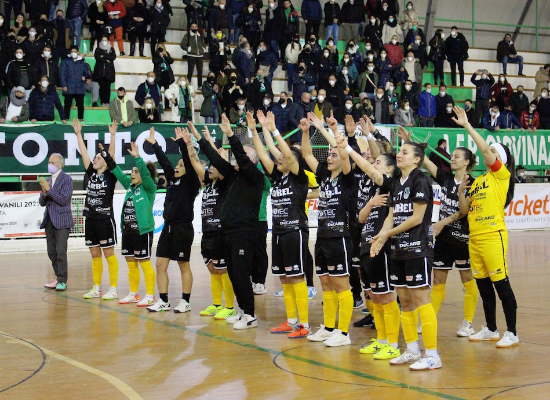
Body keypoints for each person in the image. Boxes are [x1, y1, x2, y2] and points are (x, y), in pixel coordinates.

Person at [370, 137, 440, 370]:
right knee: (406, 302)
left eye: (405, 152)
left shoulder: (421, 180)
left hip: (418, 248)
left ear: (417, 159)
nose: (399, 154)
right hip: (398, 249)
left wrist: (387, 234)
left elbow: (417, 218)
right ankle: (411, 350)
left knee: (421, 301)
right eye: (399, 151)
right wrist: (381, 236)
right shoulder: (396, 183)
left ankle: (432, 354)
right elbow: (391, 216)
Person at [453, 105, 519, 348]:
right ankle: (491, 329)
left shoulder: (501, 176)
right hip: (475, 237)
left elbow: (483, 149)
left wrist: (467, 125)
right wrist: (461, 192)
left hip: (493, 236)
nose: (487, 153)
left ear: (499, 158)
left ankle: (512, 332)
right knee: (483, 286)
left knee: (501, 284)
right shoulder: (479, 180)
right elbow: (465, 210)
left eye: (492, 151)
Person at [198, 114, 265, 330]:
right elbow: (217, 161)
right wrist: (200, 140)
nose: (237, 159)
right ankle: (243, 311)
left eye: (242, 156)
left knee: (242, 274)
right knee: (234, 274)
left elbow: (242, 158)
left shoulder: (255, 177)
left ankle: (250, 315)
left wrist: (231, 135)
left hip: (244, 232)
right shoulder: (233, 176)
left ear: (252, 161)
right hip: (228, 232)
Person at [249, 111, 311, 336]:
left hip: (295, 230)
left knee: (296, 276)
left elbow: (286, 154)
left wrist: (274, 130)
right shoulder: (277, 177)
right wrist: (257, 130)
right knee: (284, 277)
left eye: (284, 156)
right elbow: (264, 153)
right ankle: (292, 320)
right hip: (278, 231)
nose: (279, 159)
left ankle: (304, 324)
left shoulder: (299, 176)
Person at [412, 130, 479, 337]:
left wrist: (444, 221)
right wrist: (417, 147)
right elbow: (425, 162)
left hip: (463, 238)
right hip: (443, 238)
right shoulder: (446, 178)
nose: (452, 158)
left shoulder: (473, 184)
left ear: (466, 162)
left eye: (457, 156)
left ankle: (468, 322)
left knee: (467, 279)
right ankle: (429, 320)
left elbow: (465, 211)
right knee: (438, 281)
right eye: (452, 156)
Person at [142, 126, 200, 313]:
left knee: (183, 265)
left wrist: (183, 144)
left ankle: (185, 301)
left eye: (181, 165)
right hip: (167, 227)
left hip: (183, 228)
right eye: (177, 165)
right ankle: (164, 301)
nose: (176, 167)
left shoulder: (191, 183)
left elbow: (189, 164)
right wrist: (155, 145)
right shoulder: (172, 180)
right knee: (160, 264)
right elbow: (165, 161)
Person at [183, 124, 236, 319]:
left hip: (221, 232)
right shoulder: (207, 183)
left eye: (215, 166)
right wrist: (189, 145)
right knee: (213, 270)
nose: (211, 168)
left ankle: (229, 307)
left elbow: (220, 163)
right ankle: (216, 304)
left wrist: (212, 147)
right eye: (210, 166)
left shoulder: (225, 184)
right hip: (207, 232)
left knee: (223, 270)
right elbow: (194, 162)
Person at [101, 140, 157, 307]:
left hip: (142, 231)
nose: (132, 174)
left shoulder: (149, 188)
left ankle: (150, 295)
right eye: (132, 171)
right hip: (128, 232)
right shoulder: (130, 186)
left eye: (136, 171)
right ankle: (134, 294)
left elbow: (145, 175)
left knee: (144, 262)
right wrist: (107, 157)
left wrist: (138, 158)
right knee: (131, 264)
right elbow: (117, 172)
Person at [72, 119, 119, 300]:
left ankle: (113, 289)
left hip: (105, 219)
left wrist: (113, 135)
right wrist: (78, 134)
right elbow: (84, 153)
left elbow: (111, 155)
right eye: (95, 158)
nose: (95, 159)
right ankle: (97, 288)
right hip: (90, 218)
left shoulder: (110, 175)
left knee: (108, 253)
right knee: (94, 254)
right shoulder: (91, 173)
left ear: (105, 163)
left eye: (99, 158)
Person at [40, 153, 74, 292]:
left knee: (61, 252)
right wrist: (44, 193)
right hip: (49, 220)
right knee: (51, 252)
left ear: (60, 165)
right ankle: (58, 276)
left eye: (53, 163)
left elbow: (63, 200)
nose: (50, 165)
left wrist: (49, 190)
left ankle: (62, 280)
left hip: (62, 221)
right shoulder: (48, 180)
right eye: (49, 162)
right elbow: (42, 202)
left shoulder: (67, 179)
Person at [60, 46, 90, 121]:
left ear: (78, 52)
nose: (73, 53)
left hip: (80, 87)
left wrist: (85, 77)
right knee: (67, 104)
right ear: (70, 53)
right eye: (72, 51)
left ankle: (81, 119)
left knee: (80, 105)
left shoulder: (82, 62)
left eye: (75, 51)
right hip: (69, 86)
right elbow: (62, 74)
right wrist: (64, 85)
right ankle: (65, 119)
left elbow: (87, 73)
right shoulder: (65, 62)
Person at [181, 22, 206, 89]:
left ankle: (200, 85)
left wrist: (203, 49)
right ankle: (188, 85)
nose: (194, 28)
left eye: (195, 26)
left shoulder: (200, 36)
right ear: (190, 28)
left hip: (200, 56)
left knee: (200, 72)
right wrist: (188, 49)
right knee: (190, 71)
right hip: (191, 56)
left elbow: (203, 44)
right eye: (193, 26)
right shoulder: (187, 36)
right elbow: (182, 44)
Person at [93, 35, 116, 107]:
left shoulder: (111, 49)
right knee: (102, 87)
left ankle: (107, 102)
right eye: (103, 40)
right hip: (100, 72)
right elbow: (97, 58)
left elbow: (113, 57)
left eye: (105, 40)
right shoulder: (98, 49)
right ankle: (103, 102)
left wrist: (104, 56)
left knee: (107, 88)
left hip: (109, 72)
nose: (104, 42)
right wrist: (106, 60)